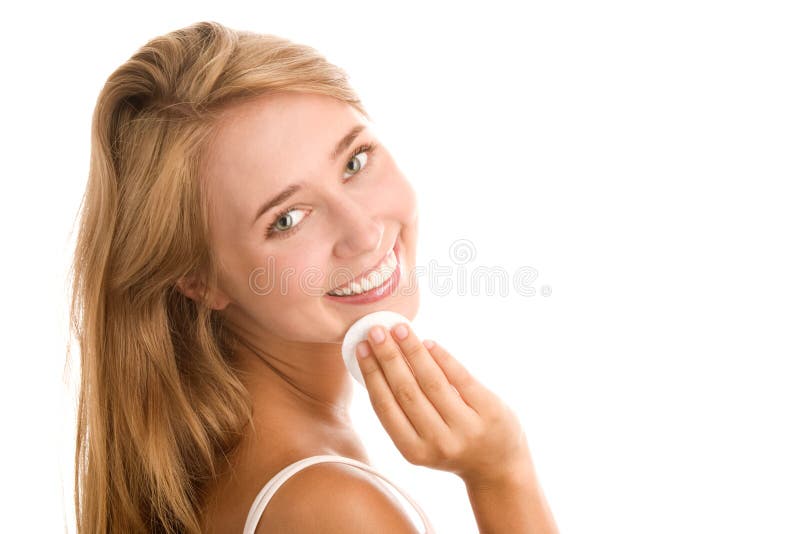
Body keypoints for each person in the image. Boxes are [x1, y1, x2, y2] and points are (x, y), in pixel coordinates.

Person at [69, 20, 559, 533]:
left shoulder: (238, 460)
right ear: (199, 279)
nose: (364, 232)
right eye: (287, 219)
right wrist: (503, 474)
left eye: (355, 161)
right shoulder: (333, 508)